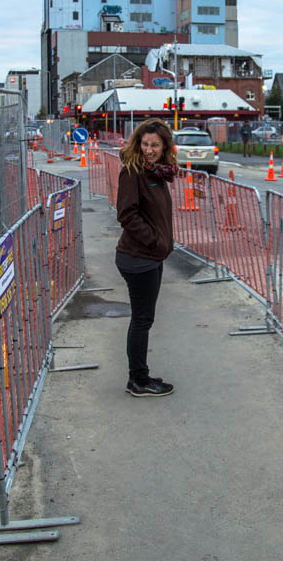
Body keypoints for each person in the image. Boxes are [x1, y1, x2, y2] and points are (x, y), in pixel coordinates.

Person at [114, 119, 178, 397]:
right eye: (144, 144)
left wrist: (160, 244)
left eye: (154, 144)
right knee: (142, 319)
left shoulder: (158, 173)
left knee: (144, 318)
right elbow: (127, 214)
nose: (149, 149)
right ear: (137, 144)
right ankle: (138, 380)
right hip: (138, 256)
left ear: (165, 146)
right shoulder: (133, 171)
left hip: (151, 256)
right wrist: (154, 241)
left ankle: (139, 376)